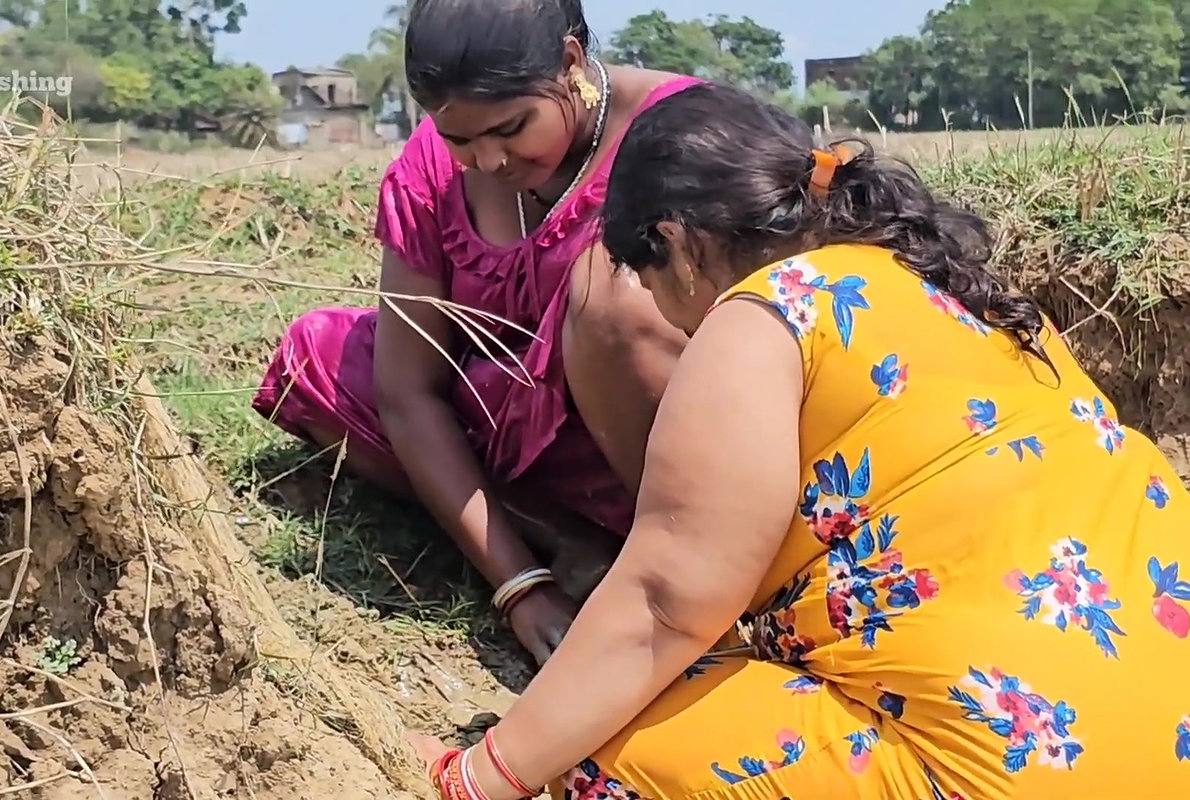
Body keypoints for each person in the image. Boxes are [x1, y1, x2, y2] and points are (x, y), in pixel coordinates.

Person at [411, 78, 1190, 799]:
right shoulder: (969, 294)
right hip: (1166, 745)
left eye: (645, 281)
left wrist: (481, 773)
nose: (666, 318)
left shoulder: (763, 316)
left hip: (1003, 775)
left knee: (604, 741)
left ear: (677, 245)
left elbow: (664, 602)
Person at [252, 0, 701, 664]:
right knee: (317, 356)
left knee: (614, 304)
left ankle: (675, 565)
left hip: (650, 433)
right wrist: (521, 586)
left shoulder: (678, 132)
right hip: (499, 419)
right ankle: (561, 538)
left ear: (571, 64)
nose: (490, 161)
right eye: (460, 141)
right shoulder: (430, 172)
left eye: (511, 127)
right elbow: (409, 391)